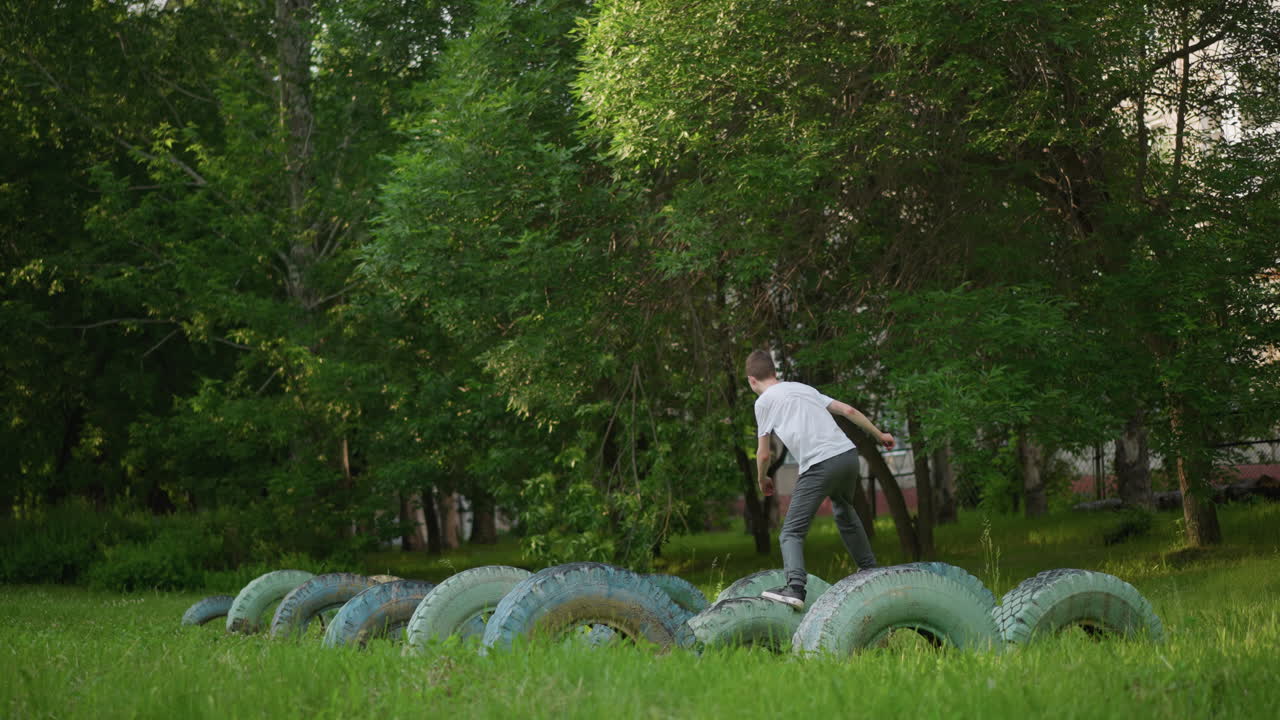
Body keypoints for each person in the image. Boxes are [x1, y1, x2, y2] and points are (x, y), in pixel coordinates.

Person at [745, 349, 895, 609]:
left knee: (791, 532)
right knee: (844, 510)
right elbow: (847, 409)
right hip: (847, 456)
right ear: (775, 372)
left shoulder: (764, 401)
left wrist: (762, 478)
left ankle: (794, 588)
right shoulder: (803, 388)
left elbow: (764, 452)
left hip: (820, 464)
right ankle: (869, 570)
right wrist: (879, 434)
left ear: (751, 380)